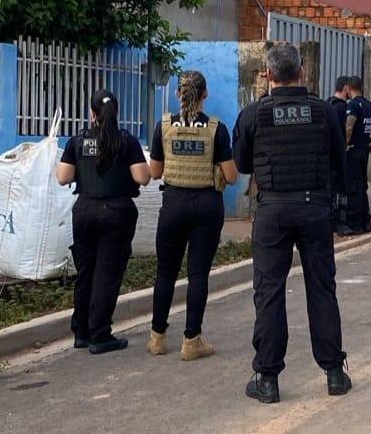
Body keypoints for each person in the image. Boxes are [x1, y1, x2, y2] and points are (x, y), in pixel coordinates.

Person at [233, 43, 352, 404]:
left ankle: (267, 379)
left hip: (272, 212)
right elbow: (338, 163)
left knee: (269, 292)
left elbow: (241, 164)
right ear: (302, 73)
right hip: (314, 208)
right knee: (321, 287)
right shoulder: (324, 111)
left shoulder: (254, 113)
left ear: (269, 75)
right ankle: (333, 373)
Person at [147, 70, 238, 361]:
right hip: (206, 206)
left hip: (172, 203)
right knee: (198, 274)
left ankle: (157, 338)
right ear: (205, 95)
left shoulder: (163, 126)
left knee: (165, 272)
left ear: (178, 94)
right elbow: (231, 176)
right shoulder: (216, 129)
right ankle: (191, 341)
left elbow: (155, 173)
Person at [56, 89, 151, 354]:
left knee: (86, 271)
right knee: (106, 274)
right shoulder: (126, 141)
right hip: (116, 212)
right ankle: (100, 334)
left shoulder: (77, 141)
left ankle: (81, 332)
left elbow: (63, 177)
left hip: (84, 210)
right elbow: (143, 178)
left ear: (92, 113)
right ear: (115, 113)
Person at [343, 76, 371, 235]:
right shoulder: (368, 105)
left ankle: (355, 225)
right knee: (362, 186)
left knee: (353, 187)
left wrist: (344, 145)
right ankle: (366, 222)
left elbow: (349, 127)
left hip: (353, 151)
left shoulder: (353, 105)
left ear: (348, 88)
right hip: (365, 151)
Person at [327, 76, 351, 235]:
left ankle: (329, 222)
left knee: (329, 189)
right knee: (342, 190)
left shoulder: (327, 104)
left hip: (326, 155)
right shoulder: (343, 108)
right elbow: (347, 130)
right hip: (339, 153)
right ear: (346, 88)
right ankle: (341, 223)